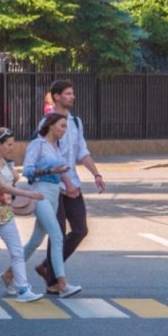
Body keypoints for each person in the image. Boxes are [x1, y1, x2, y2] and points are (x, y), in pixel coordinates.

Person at [35, 80, 106, 293]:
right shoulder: (47, 123)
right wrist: (65, 183)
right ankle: (54, 282)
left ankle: (47, 267)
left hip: (72, 184)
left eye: (72, 93)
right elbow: (50, 158)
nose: (72, 97)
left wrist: (96, 174)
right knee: (57, 232)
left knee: (80, 229)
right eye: (67, 93)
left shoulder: (75, 122)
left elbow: (82, 151)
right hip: (53, 186)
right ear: (56, 97)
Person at [0, 126, 45, 302]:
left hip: (4, 213)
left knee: (17, 251)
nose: (12, 148)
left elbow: (12, 180)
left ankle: (22, 289)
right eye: (9, 144)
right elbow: (3, 187)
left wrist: (14, 172)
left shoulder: (4, 162)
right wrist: (29, 194)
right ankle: (21, 288)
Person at [19, 114, 82, 298]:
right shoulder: (37, 145)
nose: (64, 130)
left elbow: (57, 174)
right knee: (57, 236)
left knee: (35, 241)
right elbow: (27, 171)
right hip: (40, 194)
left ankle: (9, 274)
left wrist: (67, 186)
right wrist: (51, 171)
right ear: (51, 126)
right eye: (62, 126)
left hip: (54, 193)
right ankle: (62, 284)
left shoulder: (56, 147)